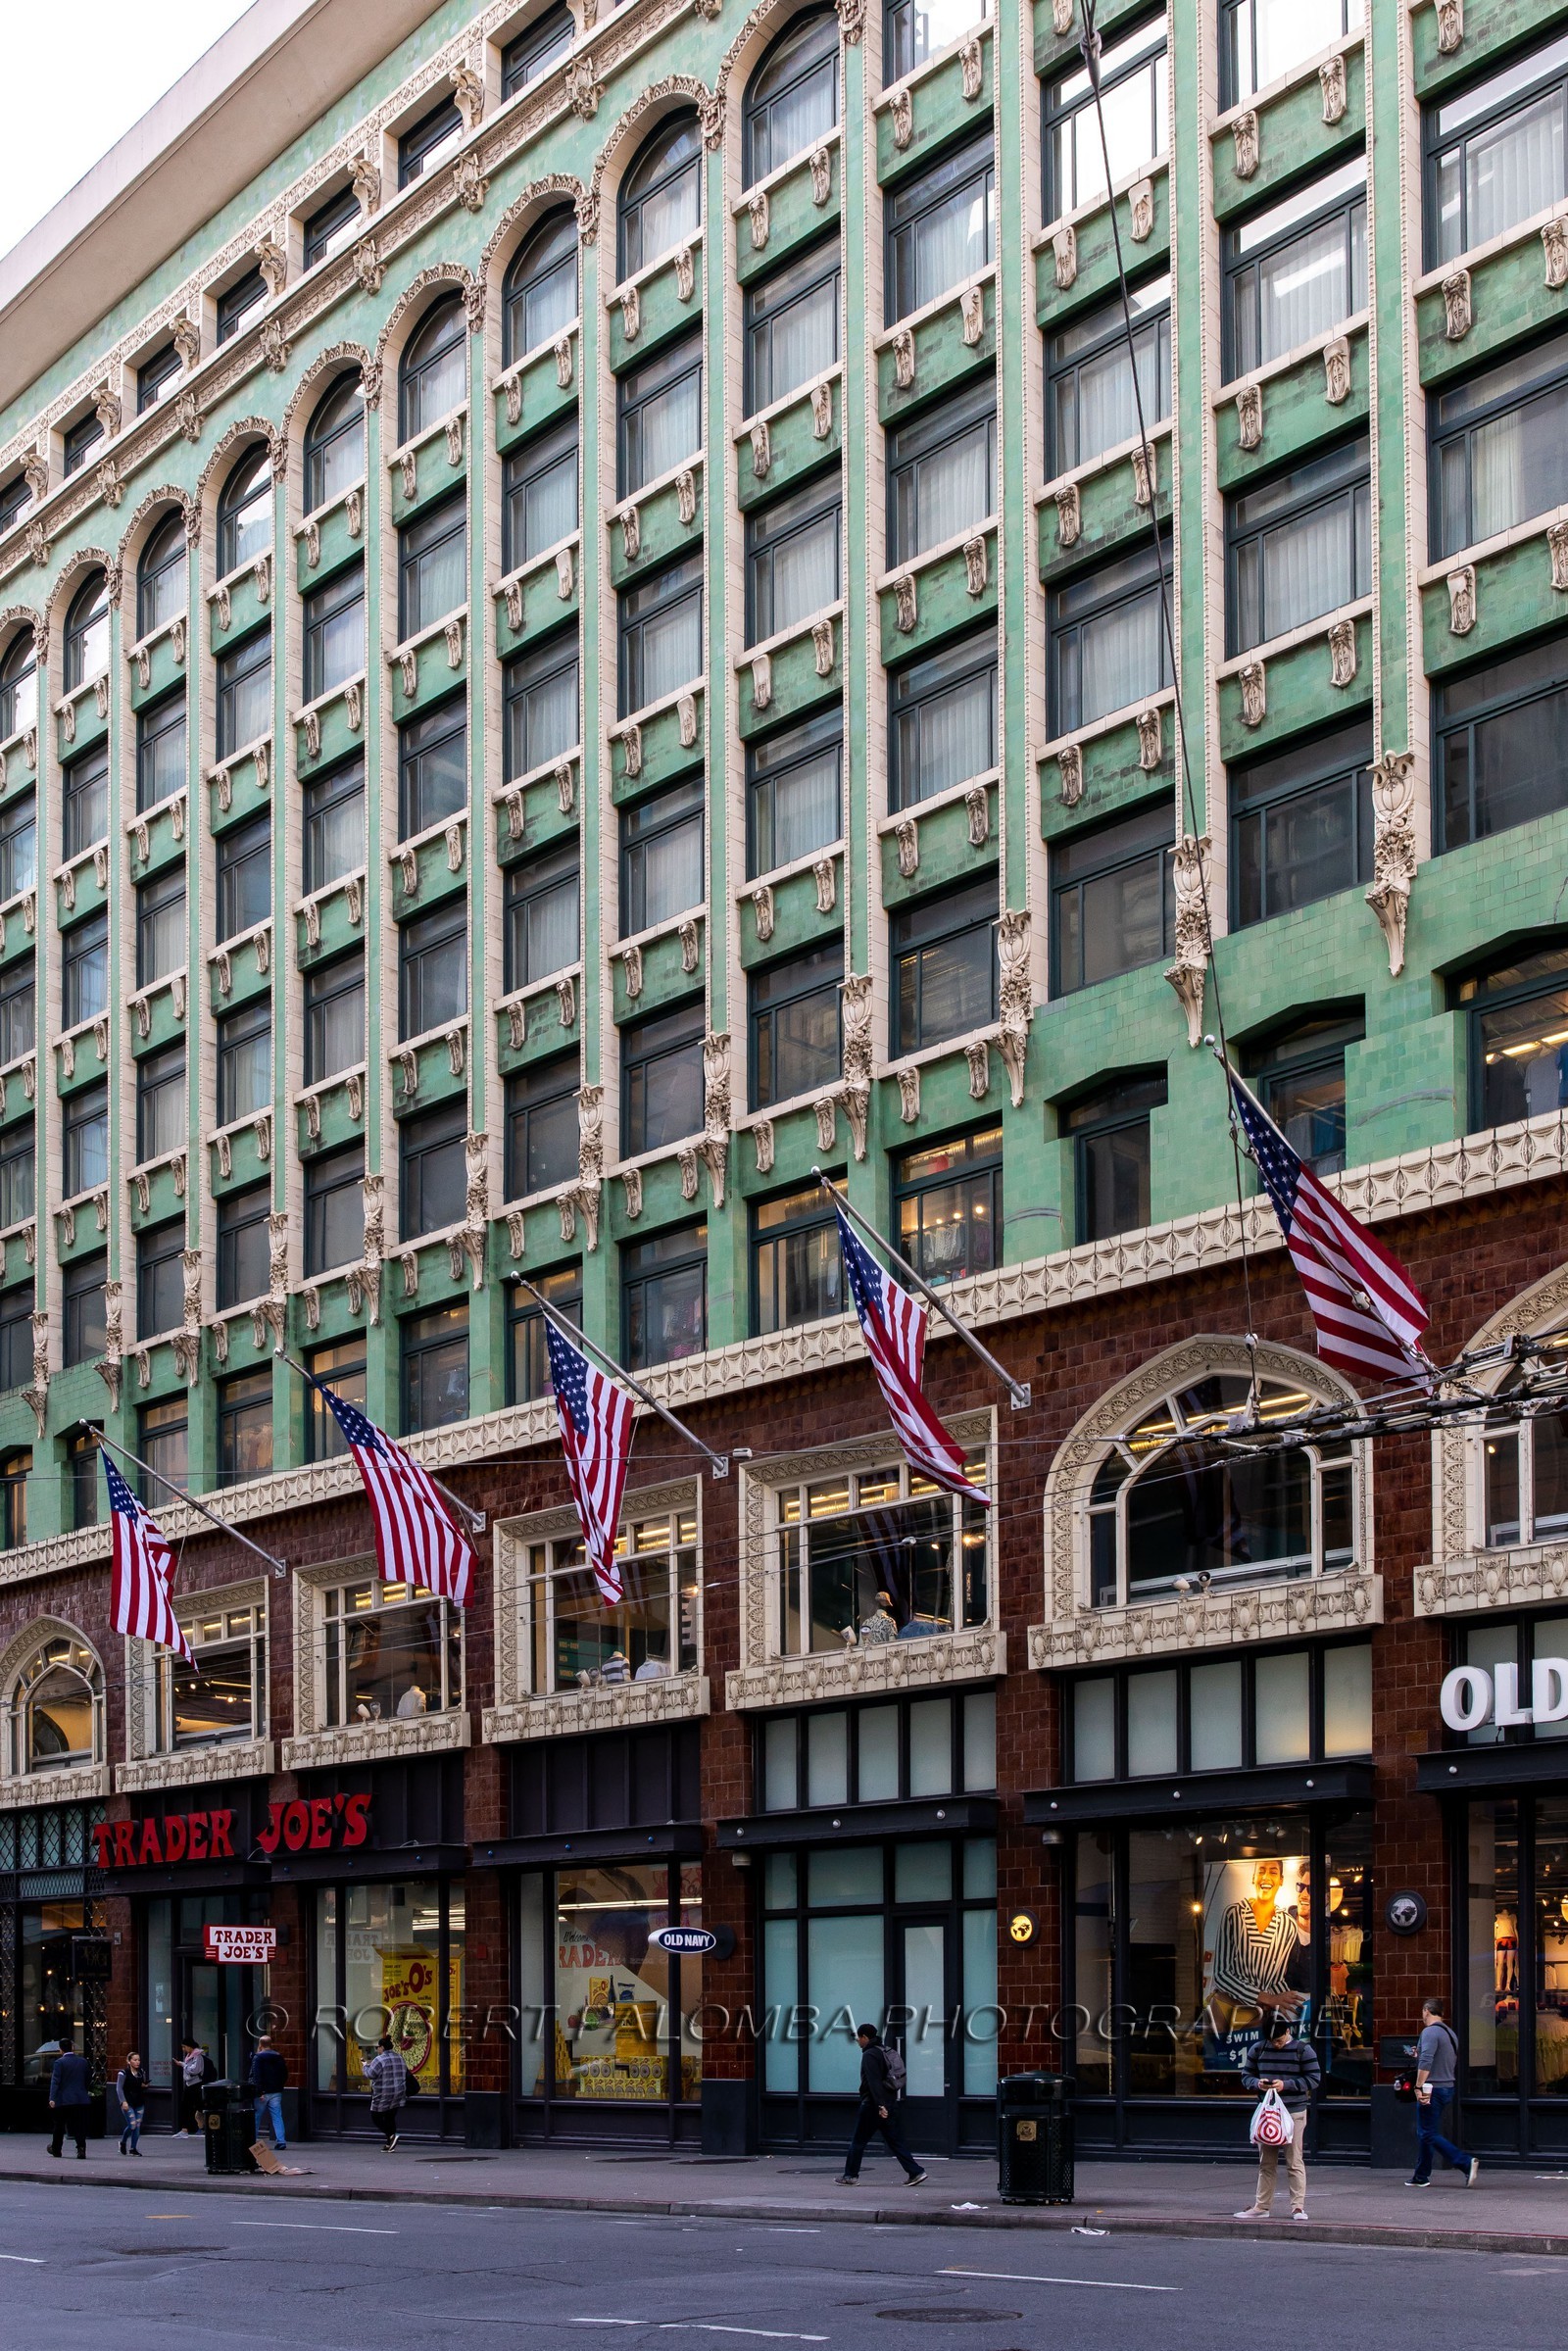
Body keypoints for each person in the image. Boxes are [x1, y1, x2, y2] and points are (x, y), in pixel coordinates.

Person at [1235, 2012, 1321, 2221]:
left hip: (1294, 2111)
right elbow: (1246, 2076)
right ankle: (1262, 2206)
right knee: (1267, 2163)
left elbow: (1314, 2079)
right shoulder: (1259, 2048)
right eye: (1273, 2041)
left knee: (1294, 2161)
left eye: (1280, 2040)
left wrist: (1286, 2085)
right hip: (1268, 2112)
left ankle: (1298, 2207)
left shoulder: (1303, 2050)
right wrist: (1258, 2084)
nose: (1277, 2045)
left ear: (1288, 2032)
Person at [836, 2024, 927, 2187]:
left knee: (858, 2141)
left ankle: (850, 2176)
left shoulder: (870, 2055)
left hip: (873, 2105)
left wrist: (880, 2105)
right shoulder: (883, 2050)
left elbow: (873, 2082)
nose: (857, 2041)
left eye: (859, 2037)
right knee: (895, 2140)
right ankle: (915, 2172)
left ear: (865, 2037)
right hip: (889, 2102)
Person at [1407, 1996, 1479, 2188]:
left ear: (1426, 2011)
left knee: (1427, 2133)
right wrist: (1418, 2053)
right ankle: (1421, 2176)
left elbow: (1427, 2061)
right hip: (1447, 2087)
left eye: (1422, 2012)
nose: (1422, 2015)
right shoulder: (1450, 2033)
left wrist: (1418, 2086)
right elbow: (1439, 2058)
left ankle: (1465, 2163)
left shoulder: (1429, 2032)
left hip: (1432, 2088)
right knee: (1426, 2131)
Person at [46, 2032, 93, 2160]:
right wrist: (83, 2089)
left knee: (59, 2125)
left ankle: (56, 2149)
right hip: (81, 2099)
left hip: (64, 2100)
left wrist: (52, 2098)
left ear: (60, 2049)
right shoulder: (83, 2061)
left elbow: (55, 2081)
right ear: (72, 2047)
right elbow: (88, 2078)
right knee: (79, 2126)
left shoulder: (59, 2063)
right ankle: (81, 2149)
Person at [367, 2033, 408, 2151]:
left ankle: (392, 2136)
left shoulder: (379, 2059)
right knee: (390, 2117)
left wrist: (365, 2066)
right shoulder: (399, 2057)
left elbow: (371, 2074)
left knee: (376, 2116)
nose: (377, 2049)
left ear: (382, 2047)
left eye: (377, 2047)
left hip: (384, 2093)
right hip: (399, 2092)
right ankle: (389, 2145)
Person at [248, 2034, 288, 2153]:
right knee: (277, 2116)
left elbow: (256, 2076)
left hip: (263, 2092)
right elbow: (285, 2074)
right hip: (276, 2091)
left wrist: (259, 2091)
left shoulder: (258, 2058)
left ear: (260, 2044)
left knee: (256, 2117)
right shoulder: (279, 2057)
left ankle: (253, 2141)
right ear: (271, 2044)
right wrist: (279, 2086)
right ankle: (281, 2141)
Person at [116, 2052, 149, 2155]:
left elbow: (141, 2084)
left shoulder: (141, 2072)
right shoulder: (123, 2073)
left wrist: (144, 2085)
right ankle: (123, 2142)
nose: (137, 2062)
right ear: (128, 2061)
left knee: (137, 2125)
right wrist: (123, 2101)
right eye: (135, 2060)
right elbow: (119, 2088)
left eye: (138, 2060)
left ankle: (133, 2148)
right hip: (128, 2101)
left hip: (139, 2101)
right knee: (132, 2124)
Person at [176, 2038, 205, 2136]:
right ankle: (184, 2130)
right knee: (185, 2106)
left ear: (189, 2046)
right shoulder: (189, 2056)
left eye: (184, 2047)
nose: (183, 2049)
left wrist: (183, 2065)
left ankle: (202, 2128)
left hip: (196, 2084)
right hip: (189, 2084)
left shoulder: (198, 2056)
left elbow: (194, 2070)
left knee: (198, 2107)